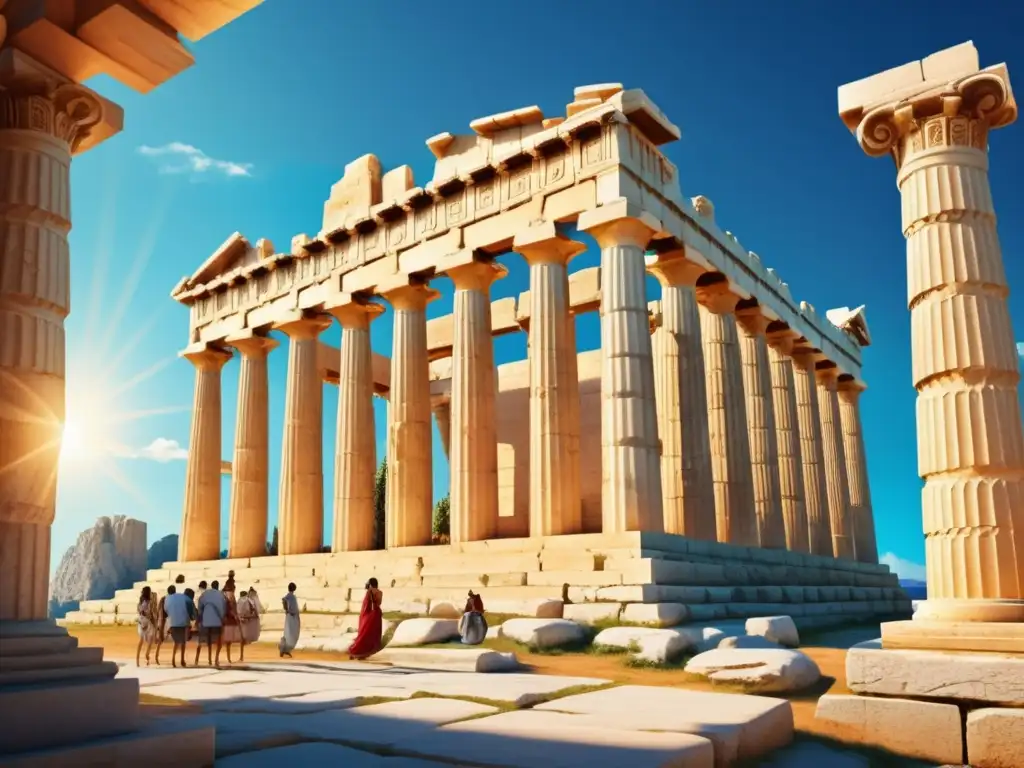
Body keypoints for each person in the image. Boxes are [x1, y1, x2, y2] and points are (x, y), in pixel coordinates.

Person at [347, 578, 383, 660]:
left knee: (364, 634)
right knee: (373, 634)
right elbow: (378, 603)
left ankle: (357, 652)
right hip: (377, 614)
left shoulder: (369, 591)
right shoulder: (380, 592)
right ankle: (367, 652)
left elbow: (367, 605)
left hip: (369, 614)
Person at [195, 579, 226, 667]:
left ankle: (197, 659)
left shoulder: (204, 594)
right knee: (218, 641)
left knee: (203, 641)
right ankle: (216, 660)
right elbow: (223, 609)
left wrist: (200, 618)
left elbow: (200, 607)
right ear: (217, 586)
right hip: (217, 622)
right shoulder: (221, 595)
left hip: (205, 621)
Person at [163, 585, 192, 668]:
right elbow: (190, 603)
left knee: (176, 642)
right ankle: (182, 660)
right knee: (183, 642)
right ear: (175, 590)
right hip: (184, 622)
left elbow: (166, 610)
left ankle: (173, 660)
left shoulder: (167, 599)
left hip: (173, 623)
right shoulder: (183, 596)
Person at [135, 586, 159, 666]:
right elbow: (151, 613)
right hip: (147, 621)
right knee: (150, 640)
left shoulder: (141, 600)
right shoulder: (149, 602)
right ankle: (147, 655)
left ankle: (137, 660)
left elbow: (139, 610)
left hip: (141, 621)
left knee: (141, 641)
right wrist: (154, 623)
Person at [221, 580, 242, 663]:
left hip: (229, 620)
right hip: (229, 620)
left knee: (229, 641)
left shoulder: (228, 597)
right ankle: (229, 658)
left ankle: (230, 657)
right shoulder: (228, 598)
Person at [278, 583, 300, 658]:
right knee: (292, 634)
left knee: (288, 633)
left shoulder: (288, 597)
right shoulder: (292, 597)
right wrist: (288, 610)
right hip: (292, 616)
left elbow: (284, 601)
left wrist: (287, 610)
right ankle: (285, 649)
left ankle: (284, 649)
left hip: (289, 616)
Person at [153, 585, 174, 665]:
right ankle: (172, 658)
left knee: (160, 640)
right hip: (167, 620)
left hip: (162, 620)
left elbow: (159, 610)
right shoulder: (170, 599)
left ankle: (156, 656)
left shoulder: (163, 598)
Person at [238, 588, 263, 653]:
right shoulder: (246, 600)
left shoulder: (244, 600)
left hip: (247, 617)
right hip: (247, 618)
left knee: (246, 630)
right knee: (246, 630)